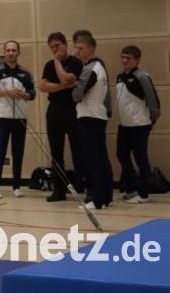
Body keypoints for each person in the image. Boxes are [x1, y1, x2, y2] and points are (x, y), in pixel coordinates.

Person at [0, 41, 36, 199]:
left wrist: (23, 95)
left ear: (18, 52)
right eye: (8, 50)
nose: (11, 53)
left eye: (14, 50)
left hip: (20, 119)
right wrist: (5, 92)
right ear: (4, 52)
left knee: (18, 152)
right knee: (0, 152)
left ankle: (17, 187)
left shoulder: (25, 73)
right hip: (2, 118)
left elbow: (32, 94)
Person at [38, 32, 86, 202]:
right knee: (56, 153)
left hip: (72, 110)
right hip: (55, 111)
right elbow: (43, 86)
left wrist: (58, 62)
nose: (55, 49)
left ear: (65, 44)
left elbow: (68, 78)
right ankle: (59, 190)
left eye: (57, 45)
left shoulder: (75, 62)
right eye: (52, 47)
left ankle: (81, 186)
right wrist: (63, 86)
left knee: (78, 150)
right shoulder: (48, 65)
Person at [72, 34, 113, 210]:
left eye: (80, 48)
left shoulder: (90, 69)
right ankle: (106, 197)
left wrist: (72, 84)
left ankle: (96, 199)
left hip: (89, 117)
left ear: (91, 49)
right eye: (76, 47)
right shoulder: (101, 67)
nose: (77, 51)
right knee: (101, 158)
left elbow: (76, 95)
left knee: (92, 159)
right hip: (99, 116)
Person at [115, 45, 160, 204]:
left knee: (141, 158)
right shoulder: (120, 77)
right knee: (121, 155)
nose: (125, 60)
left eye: (129, 58)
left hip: (140, 125)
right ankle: (131, 188)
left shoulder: (142, 77)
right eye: (123, 57)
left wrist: (152, 118)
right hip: (124, 125)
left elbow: (153, 100)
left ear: (137, 60)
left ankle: (144, 194)